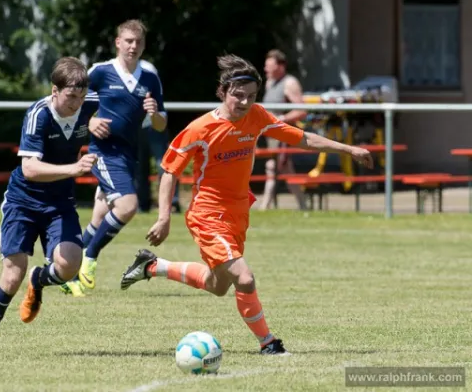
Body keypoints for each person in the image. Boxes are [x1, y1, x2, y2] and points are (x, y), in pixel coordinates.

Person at [119, 54, 373, 355]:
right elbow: (170, 170)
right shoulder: (200, 129)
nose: (244, 103)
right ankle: (269, 343)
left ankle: (152, 266)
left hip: (238, 211)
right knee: (244, 277)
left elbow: (301, 138)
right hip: (207, 213)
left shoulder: (257, 116)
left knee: (218, 285)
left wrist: (348, 149)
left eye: (251, 97)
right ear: (223, 91)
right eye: (238, 96)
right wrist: (164, 217)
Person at [0, 57, 98, 356]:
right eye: (70, 97)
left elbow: (121, 101)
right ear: (55, 90)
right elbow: (29, 169)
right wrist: (74, 169)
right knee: (12, 275)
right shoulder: (39, 114)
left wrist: (144, 108)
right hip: (23, 201)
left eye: (80, 97)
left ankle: (38, 280)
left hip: (59, 202)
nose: (76, 104)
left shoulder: (90, 103)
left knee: (69, 267)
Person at [61, 20, 167, 297]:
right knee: (128, 206)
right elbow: (70, 105)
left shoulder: (150, 76)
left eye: (138, 42)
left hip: (127, 154)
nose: (133, 46)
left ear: (143, 45)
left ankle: (61, 271)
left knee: (99, 219)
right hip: (103, 152)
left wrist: (154, 114)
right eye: (128, 41)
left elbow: (160, 124)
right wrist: (91, 120)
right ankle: (90, 260)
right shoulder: (100, 72)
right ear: (117, 42)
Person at [258, 49, 308, 211]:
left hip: (283, 133)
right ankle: (303, 206)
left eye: (269, 66)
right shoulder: (269, 82)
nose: (266, 69)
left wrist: (282, 119)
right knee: (281, 169)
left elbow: (301, 111)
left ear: (281, 66)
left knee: (275, 167)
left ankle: (265, 207)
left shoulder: (290, 83)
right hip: (270, 134)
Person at [136, 60, 181, 214]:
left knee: (164, 164)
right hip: (134, 127)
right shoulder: (116, 69)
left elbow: (156, 96)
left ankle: (172, 203)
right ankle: (142, 204)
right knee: (139, 167)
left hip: (154, 124)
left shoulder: (148, 68)